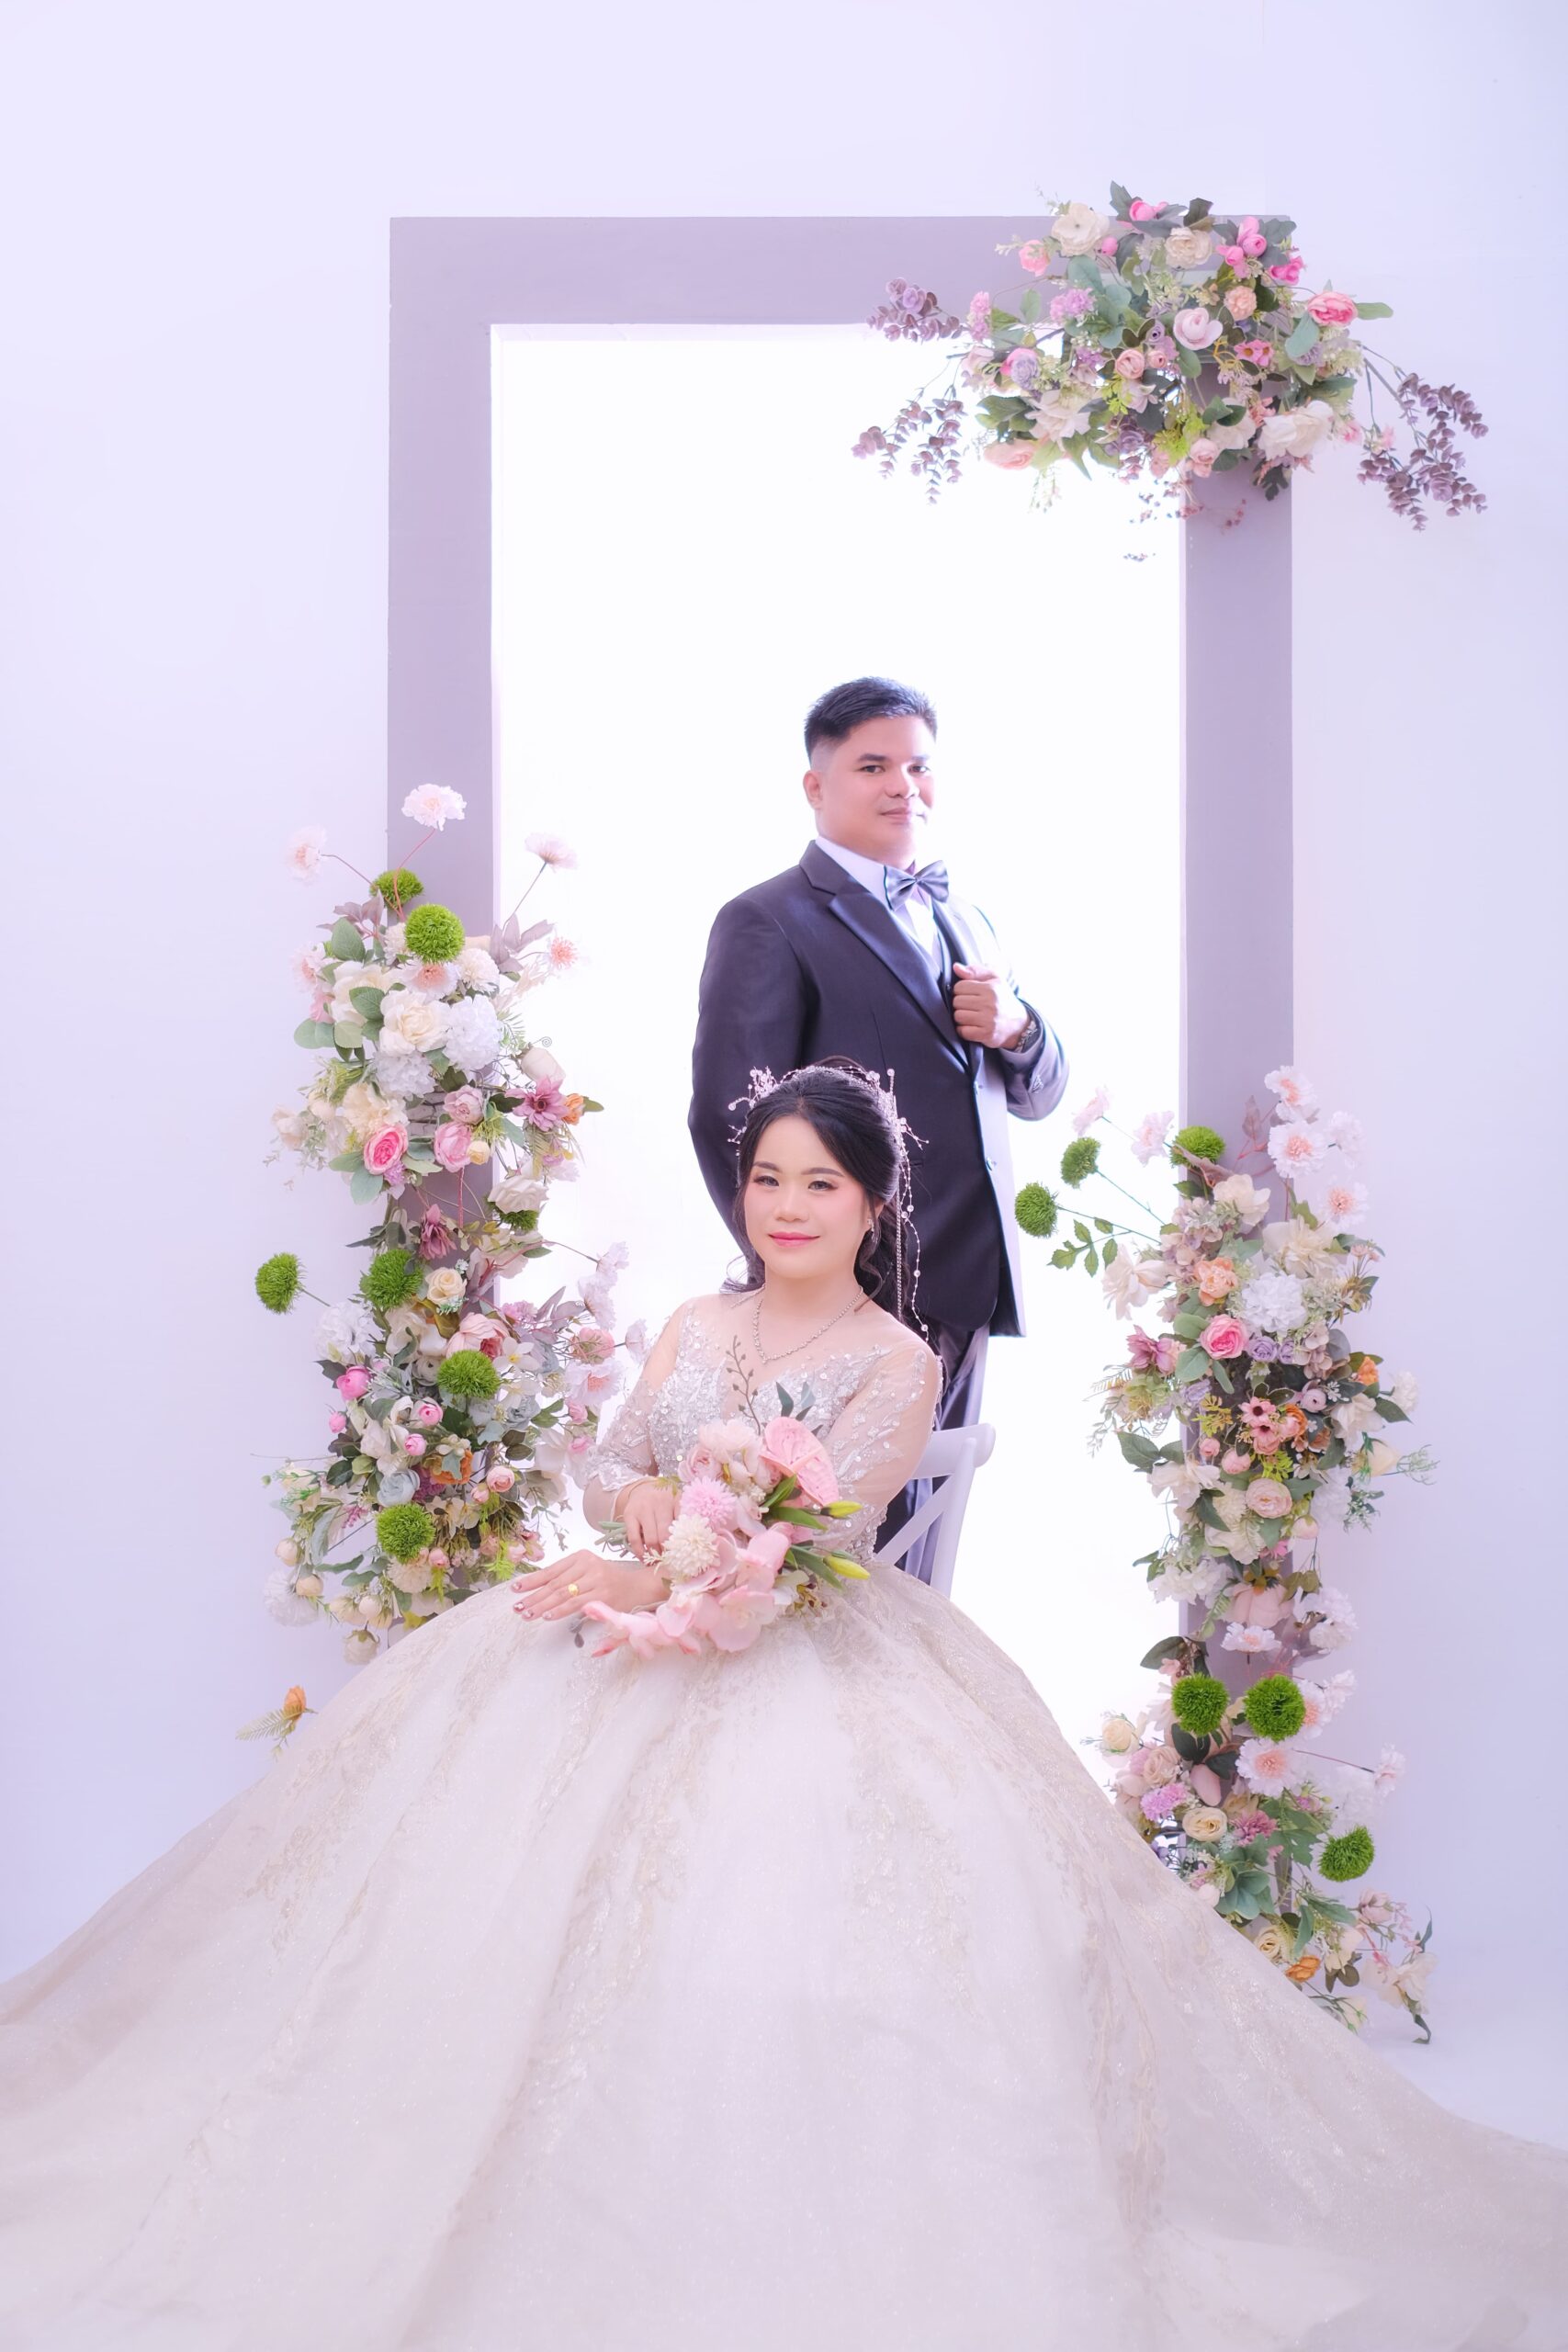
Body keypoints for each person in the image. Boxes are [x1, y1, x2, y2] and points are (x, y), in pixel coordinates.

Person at [2, 1063, 1565, 2351]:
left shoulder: (895, 1358)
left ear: (874, 1203)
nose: (788, 1206)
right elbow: (610, 1459)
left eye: (820, 1182)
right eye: (765, 1179)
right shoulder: (697, 1323)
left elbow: (811, 1542)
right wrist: (629, 1519)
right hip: (625, 1611)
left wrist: (661, 1564)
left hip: (797, 1635)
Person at [688, 678, 1067, 1577]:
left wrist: (1016, 1026)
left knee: (922, 1549)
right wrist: (808, 1281)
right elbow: (731, 1117)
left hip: (967, 1287)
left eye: (919, 766)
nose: (904, 785)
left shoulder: (966, 918)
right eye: (873, 766)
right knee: (824, 1549)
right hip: (850, 1293)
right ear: (815, 785)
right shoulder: (767, 920)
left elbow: (1035, 1095)